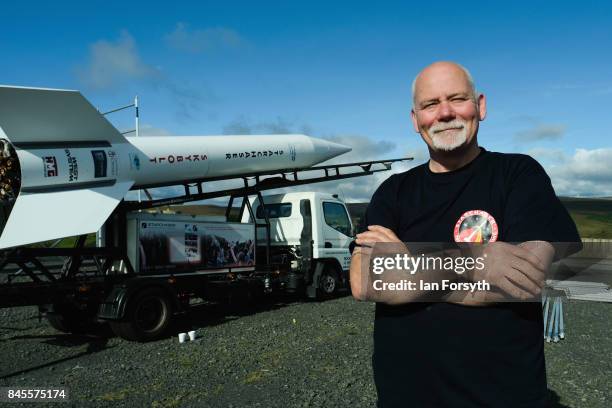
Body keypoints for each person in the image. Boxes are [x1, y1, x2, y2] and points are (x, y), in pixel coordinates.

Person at [350, 61, 581, 407]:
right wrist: (475, 263)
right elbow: (365, 281)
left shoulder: (519, 174)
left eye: (457, 99)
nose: (444, 113)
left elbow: (525, 280)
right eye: (430, 104)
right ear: (415, 120)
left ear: (480, 107)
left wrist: (407, 267)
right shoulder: (392, 191)